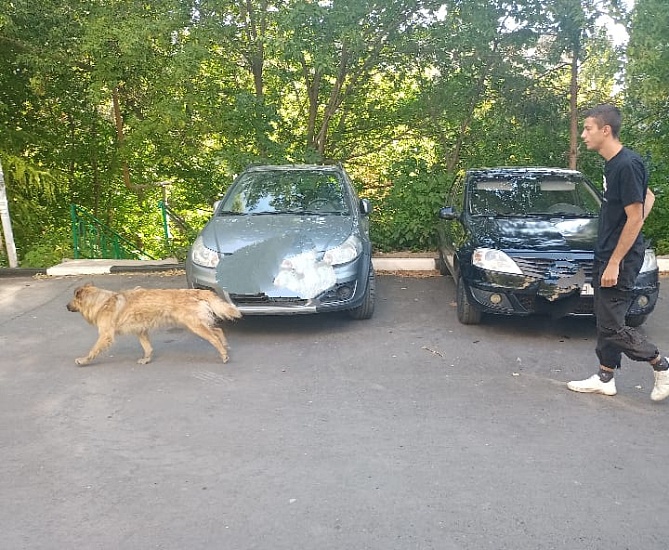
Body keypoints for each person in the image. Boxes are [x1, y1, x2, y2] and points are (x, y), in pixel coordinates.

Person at [567, 104, 669, 401]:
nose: (583, 135)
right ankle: (605, 376)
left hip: (618, 258)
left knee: (611, 326)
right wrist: (627, 232)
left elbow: (635, 215)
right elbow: (646, 197)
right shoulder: (614, 164)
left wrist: (616, 260)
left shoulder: (627, 164)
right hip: (610, 253)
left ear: (605, 130)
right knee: (605, 319)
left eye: (587, 128)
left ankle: (661, 365)